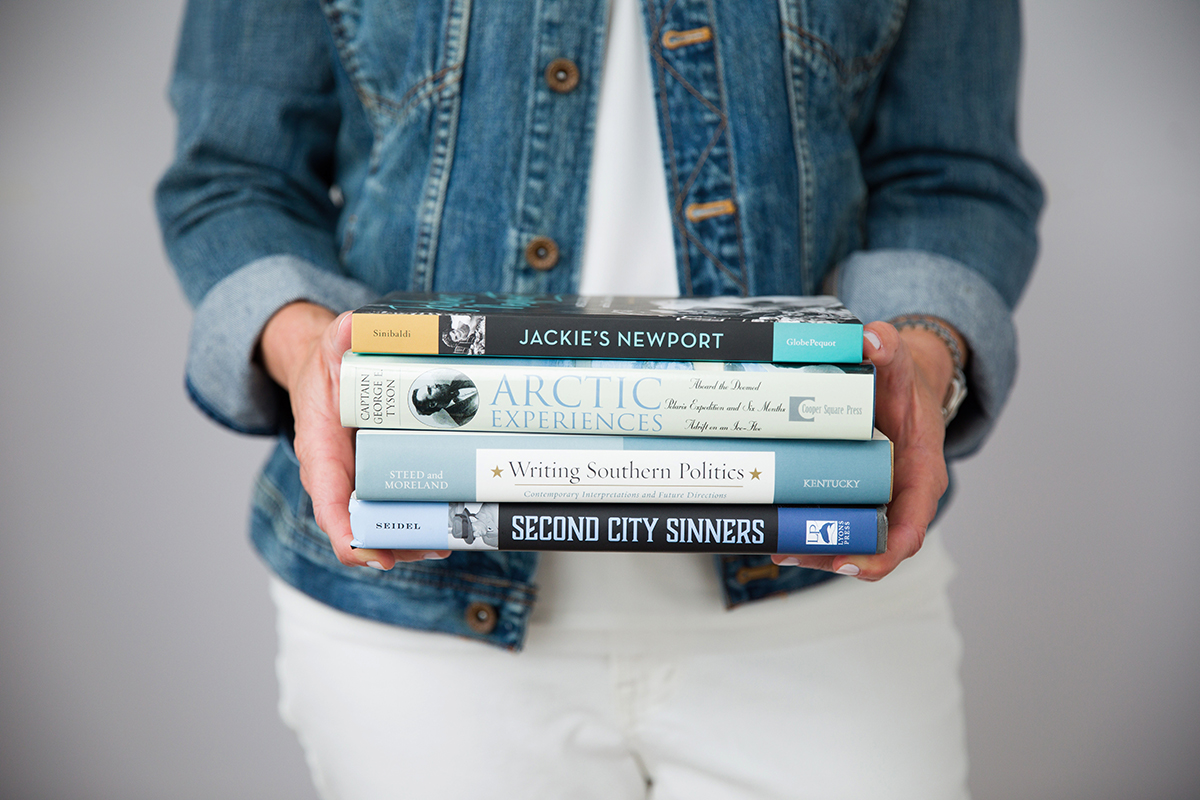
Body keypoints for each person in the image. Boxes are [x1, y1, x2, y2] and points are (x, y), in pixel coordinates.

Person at [156, 0, 1043, 797]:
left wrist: (926, 356)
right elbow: (234, 178)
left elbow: (953, 177)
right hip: (422, 607)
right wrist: (314, 349)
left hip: (819, 585)